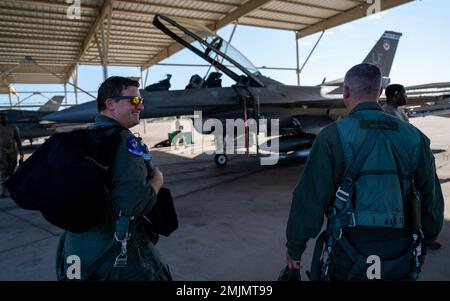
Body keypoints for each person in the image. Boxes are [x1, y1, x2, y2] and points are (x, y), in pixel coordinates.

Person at [285, 64, 444, 281]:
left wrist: (295, 249)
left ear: (346, 92)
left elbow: (309, 199)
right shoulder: (415, 136)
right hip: (401, 248)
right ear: (379, 92)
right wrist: (425, 242)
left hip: (347, 249)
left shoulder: (331, 136)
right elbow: (431, 199)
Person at [57, 76, 172, 281]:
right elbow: (136, 204)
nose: (141, 107)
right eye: (134, 101)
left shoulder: (87, 136)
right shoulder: (122, 140)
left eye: (141, 101)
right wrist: (157, 179)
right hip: (114, 250)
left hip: (76, 248)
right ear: (110, 104)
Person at [383, 84, 442, 250]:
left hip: (409, 165)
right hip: (399, 169)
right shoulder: (386, 113)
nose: (406, 97)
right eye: (404, 93)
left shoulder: (399, 112)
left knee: (419, 203)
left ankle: (423, 236)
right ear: (395, 95)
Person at [0, 112, 24, 198]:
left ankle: (11, 188)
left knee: (12, 170)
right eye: (1, 118)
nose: (2, 119)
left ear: (7, 118)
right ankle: (3, 190)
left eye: (4, 117)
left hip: (13, 152)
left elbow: (18, 140)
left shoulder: (13, 127)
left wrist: (21, 152)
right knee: (3, 171)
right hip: (2, 154)